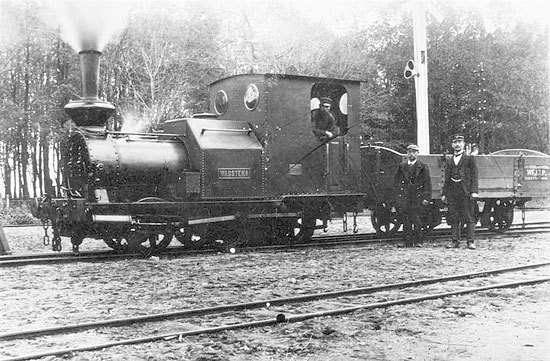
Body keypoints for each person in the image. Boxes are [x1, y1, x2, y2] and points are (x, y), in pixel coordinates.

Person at [442, 134, 479, 249]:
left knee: (469, 217)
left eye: (459, 142)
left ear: (463, 144)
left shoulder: (469, 158)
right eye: (455, 142)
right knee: (454, 217)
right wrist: (444, 193)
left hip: (466, 192)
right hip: (453, 192)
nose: (457, 144)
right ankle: (455, 241)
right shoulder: (449, 160)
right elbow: (447, 178)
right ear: (452, 145)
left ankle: (470, 242)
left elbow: (474, 175)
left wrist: (474, 191)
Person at [393, 144, 432, 247]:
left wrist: (426, 198)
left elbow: (427, 184)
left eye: (414, 152)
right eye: (409, 152)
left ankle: (418, 242)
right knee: (406, 221)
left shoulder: (423, 167)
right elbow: (395, 183)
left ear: (417, 154)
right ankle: (407, 242)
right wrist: (397, 198)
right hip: (405, 197)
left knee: (417, 220)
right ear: (407, 153)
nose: (411, 154)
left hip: (417, 197)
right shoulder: (402, 167)